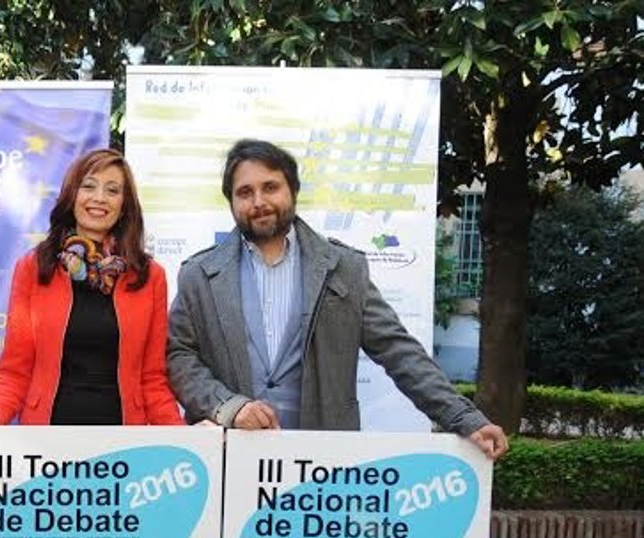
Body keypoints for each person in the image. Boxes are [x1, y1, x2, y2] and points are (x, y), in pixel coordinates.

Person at [167, 138, 508, 459]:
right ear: (231, 203)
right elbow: (179, 355)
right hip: (228, 458)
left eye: (270, 187)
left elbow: (398, 351)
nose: (259, 202)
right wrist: (229, 407)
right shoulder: (199, 275)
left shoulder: (343, 269)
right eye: (245, 192)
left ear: (293, 190)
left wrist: (465, 418)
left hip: (322, 464)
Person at [0, 148, 183, 426]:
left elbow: (152, 379)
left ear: (124, 205)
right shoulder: (34, 268)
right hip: (46, 441)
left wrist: (183, 441)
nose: (99, 198)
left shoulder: (149, 276)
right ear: (72, 195)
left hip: (125, 447)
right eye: (88, 186)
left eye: (112, 190)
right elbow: (15, 373)